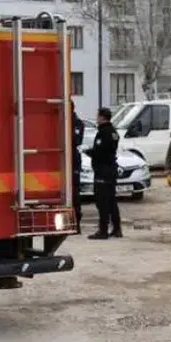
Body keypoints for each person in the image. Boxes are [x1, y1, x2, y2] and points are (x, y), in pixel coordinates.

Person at [85, 107, 123, 240]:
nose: (96, 118)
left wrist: (88, 152)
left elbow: (100, 152)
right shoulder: (113, 132)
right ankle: (117, 229)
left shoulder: (103, 133)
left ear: (102, 117)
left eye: (97, 116)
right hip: (111, 170)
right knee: (112, 200)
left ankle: (103, 230)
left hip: (103, 171)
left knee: (102, 201)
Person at [70, 103, 86, 232]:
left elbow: (76, 140)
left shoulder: (77, 123)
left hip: (73, 160)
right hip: (63, 158)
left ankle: (76, 223)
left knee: (75, 192)